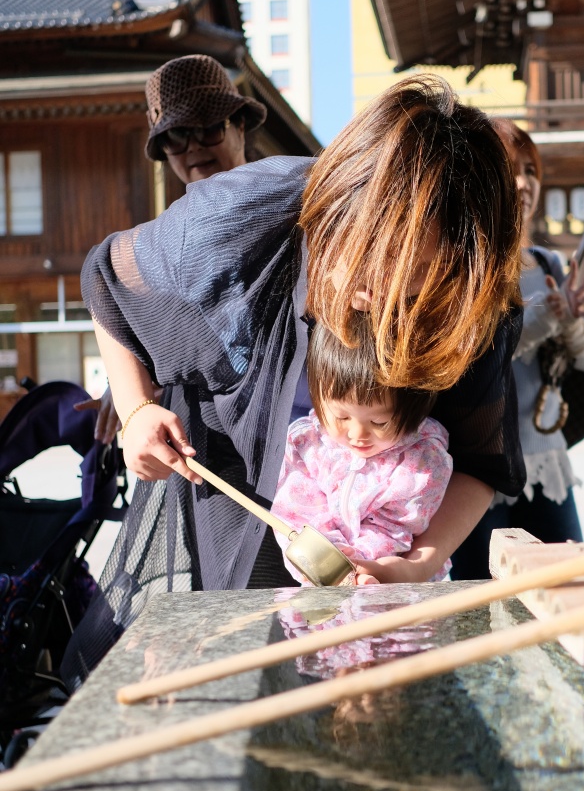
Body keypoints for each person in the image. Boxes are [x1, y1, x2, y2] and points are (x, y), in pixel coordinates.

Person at [78, 73, 524, 650]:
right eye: (372, 271)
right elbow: (104, 275)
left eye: (413, 296)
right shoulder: (242, 217)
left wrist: (417, 565)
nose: (380, 308)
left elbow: (478, 460)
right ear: (339, 208)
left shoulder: (470, 290)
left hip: (391, 555)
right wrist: (137, 406)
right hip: (241, 506)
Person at [75, 54, 265, 442]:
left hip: (295, 426)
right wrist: (131, 391)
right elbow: (105, 282)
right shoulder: (162, 238)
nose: (193, 146)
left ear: (240, 126)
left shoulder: (292, 200)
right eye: (176, 137)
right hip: (200, 439)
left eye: (209, 127)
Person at [450, 119, 584, 579]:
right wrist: (548, 318)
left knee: (566, 592)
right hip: (480, 470)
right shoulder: (464, 266)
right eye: (509, 168)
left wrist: (572, 323)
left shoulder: (550, 263)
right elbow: (476, 360)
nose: (523, 183)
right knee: (481, 606)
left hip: (546, 456)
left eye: (531, 171)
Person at [272, 318, 452, 585]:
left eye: (378, 422)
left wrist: (358, 563)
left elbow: (395, 528)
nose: (357, 435)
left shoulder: (421, 463)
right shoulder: (307, 445)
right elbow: (296, 512)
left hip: (392, 579)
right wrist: (327, 555)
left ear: (416, 407)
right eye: (341, 417)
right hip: (319, 576)